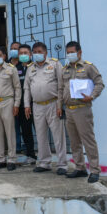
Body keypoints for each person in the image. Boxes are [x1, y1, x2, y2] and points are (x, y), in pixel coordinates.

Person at [60, 41, 104, 183]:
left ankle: (95, 170)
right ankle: (80, 168)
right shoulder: (65, 69)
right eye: (68, 53)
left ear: (79, 53)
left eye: (72, 52)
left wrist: (92, 96)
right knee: (74, 142)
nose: (70, 55)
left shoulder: (88, 67)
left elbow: (99, 83)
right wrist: (59, 106)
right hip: (69, 109)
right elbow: (61, 89)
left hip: (82, 109)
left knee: (88, 141)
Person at [24, 42, 68, 175]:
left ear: (46, 52)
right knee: (41, 135)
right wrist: (27, 105)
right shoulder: (30, 68)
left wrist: (60, 104)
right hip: (37, 106)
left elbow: (61, 85)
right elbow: (27, 88)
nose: (37, 54)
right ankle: (44, 163)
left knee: (58, 136)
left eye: (39, 51)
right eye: (35, 52)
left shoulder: (55, 64)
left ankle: (62, 164)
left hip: (53, 104)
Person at [15, 44, 37, 162]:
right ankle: (31, 154)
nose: (23, 55)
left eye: (25, 53)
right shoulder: (15, 68)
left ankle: (45, 155)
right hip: (22, 106)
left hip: (36, 104)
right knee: (26, 131)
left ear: (30, 54)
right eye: (21, 53)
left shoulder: (36, 66)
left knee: (40, 130)